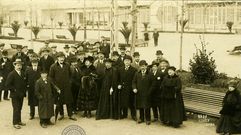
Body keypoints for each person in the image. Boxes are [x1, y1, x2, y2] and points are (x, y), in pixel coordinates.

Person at [49, 52, 77, 121]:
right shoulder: (53, 66)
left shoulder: (67, 65)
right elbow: (51, 78)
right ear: (57, 58)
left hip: (67, 86)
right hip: (58, 87)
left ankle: (70, 114)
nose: (62, 59)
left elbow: (71, 75)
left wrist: (69, 83)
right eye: (60, 57)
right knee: (60, 101)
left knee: (69, 101)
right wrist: (55, 87)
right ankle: (61, 114)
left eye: (63, 57)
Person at [5, 59, 27, 129]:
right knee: (16, 108)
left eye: (20, 65)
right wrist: (14, 90)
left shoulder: (23, 73)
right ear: (14, 66)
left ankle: (19, 121)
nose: (19, 67)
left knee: (19, 108)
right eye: (17, 65)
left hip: (21, 95)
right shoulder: (11, 74)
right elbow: (7, 85)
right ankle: (15, 123)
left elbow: (24, 83)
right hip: (15, 95)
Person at [132, 60, 152, 125]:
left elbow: (153, 84)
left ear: (146, 66)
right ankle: (141, 118)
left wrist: (149, 91)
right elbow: (133, 82)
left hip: (147, 93)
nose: (142, 67)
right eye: (141, 66)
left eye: (143, 66)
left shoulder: (150, 74)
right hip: (139, 93)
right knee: (140, 106)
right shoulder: (137, 73)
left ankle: (148, 119)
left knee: (147, 106)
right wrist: (134, 88)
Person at [118, 55, 137, 120]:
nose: (127, 62)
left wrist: (133, 87)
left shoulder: (134, 70)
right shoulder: (120, 69)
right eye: (125, 61)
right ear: (123, 61)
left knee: (131, 102)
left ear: (130, 62)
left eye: (128, 61)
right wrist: (119, 84)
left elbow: (134, 80)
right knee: (123, 102)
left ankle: (133, 115)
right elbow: (118, 79)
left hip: (130, 88)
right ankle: (124, 114)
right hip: (123, 88)